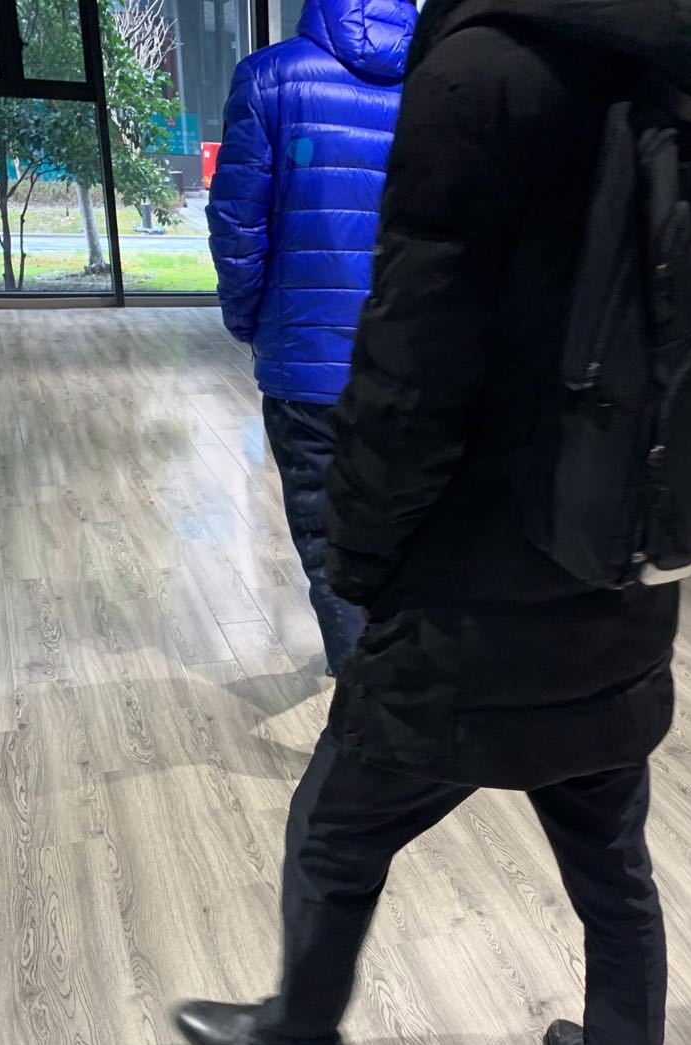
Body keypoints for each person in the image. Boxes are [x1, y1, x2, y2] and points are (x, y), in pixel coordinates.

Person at [178, 0, 691, 1045]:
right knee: (612, 864)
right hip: (619, 571)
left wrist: (362, 559)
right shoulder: (683, 81)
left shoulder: (480, 76)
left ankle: (297, 1033)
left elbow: (411, 369)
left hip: (468, 592)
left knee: (336, 829)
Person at [206, 0, 418, 675]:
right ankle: (399, 680)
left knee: (329, 543)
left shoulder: (268, 78)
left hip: (306, 364)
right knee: (407, 530)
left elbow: (237, 226)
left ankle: (364, 707)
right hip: (412, 364)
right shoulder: (440, 83)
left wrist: (249, 322)